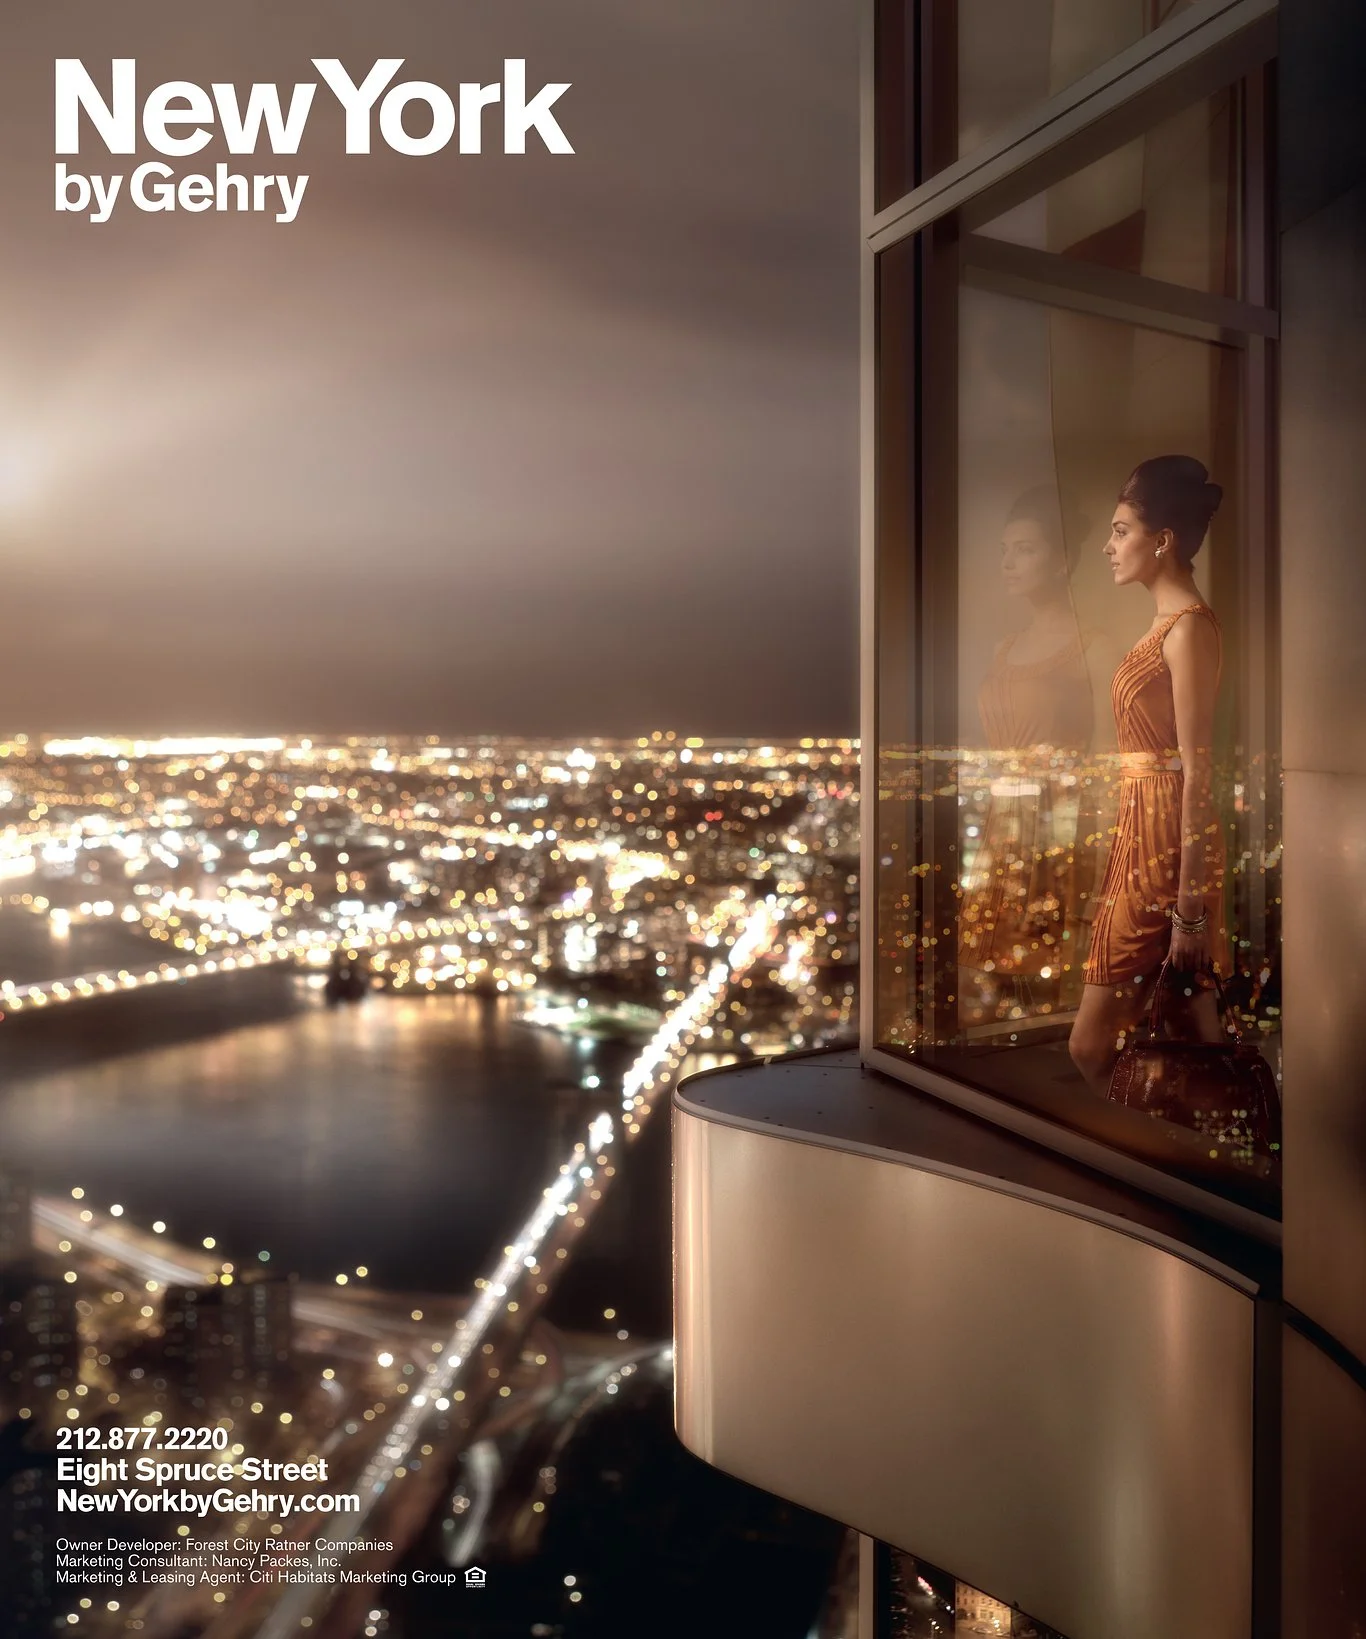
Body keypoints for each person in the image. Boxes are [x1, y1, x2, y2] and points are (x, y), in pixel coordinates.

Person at [1068, 455, 1229, 1092]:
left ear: (1161, 540)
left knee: (1091, 1046)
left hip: (1164, 841)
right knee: (1187, 1024)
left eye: (1119, 530)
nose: (1108, 547)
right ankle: (1194, 1159)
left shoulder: (1188, 630)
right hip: (1140, 830)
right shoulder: (1163, 626)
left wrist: (1192, 907)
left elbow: (1199, 769)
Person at [958, 487, 1111, 1022]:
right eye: (1004, 549)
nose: (1007, 562)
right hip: (1006, 833)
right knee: (1004, 995)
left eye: (1024, 548)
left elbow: (1112, 763)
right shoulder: (1002, 648)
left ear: (1062, 560)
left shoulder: (1093, 647)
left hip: (1060, 832)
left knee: (1051, 987)